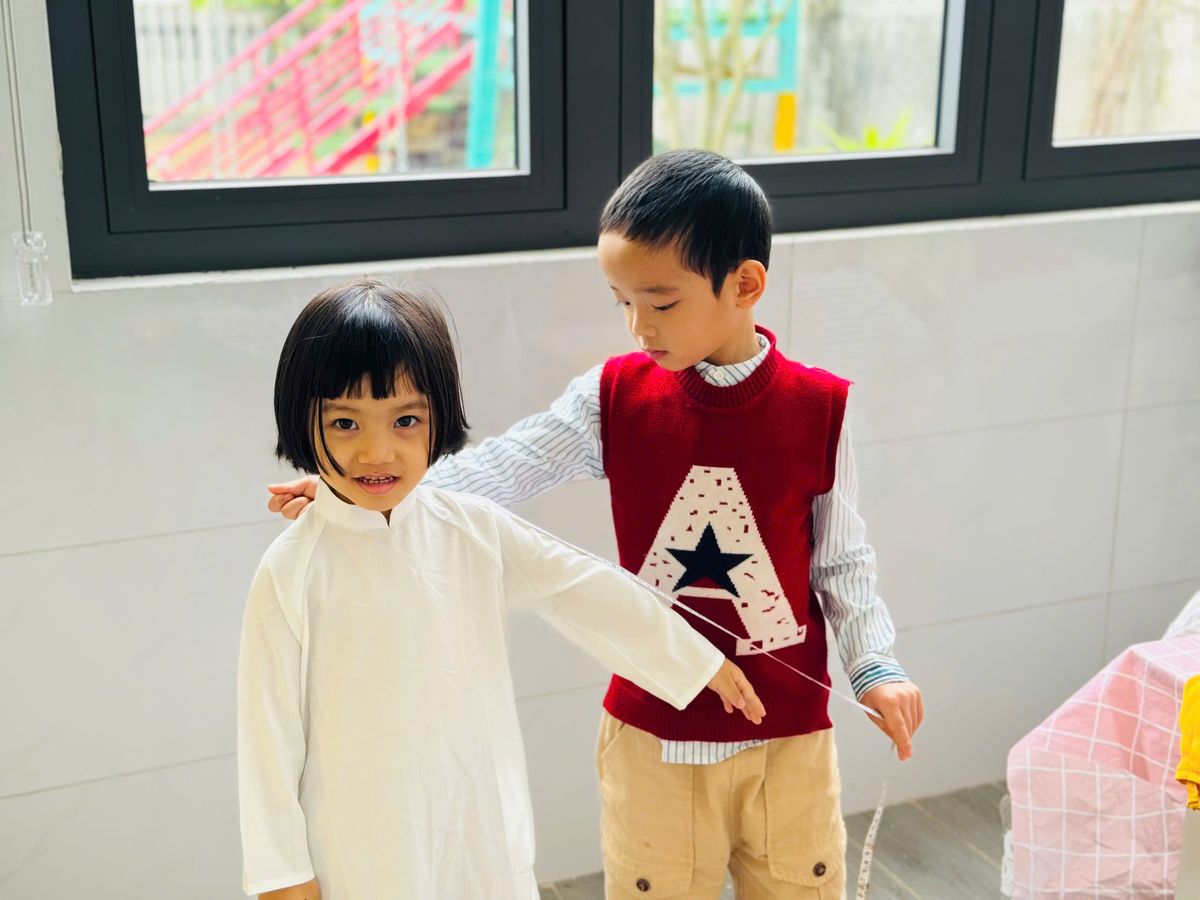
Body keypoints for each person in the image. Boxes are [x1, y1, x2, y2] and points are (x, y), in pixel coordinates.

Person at [267, 151, 924, 899]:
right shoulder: (613, 397)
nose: (639, 326)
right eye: (623, 303)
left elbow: (841, 560)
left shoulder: (818, 409)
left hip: (789, 736)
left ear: (745, 284)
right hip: (652, 734)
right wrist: (360, 491)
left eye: (661, 302)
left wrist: (875, 666)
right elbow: (508, 467)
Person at [239, 279, 765, 900]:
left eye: (405, 420)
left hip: (475, 824)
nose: (377, 451)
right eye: (345, 423)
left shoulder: (470, 529)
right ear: (304, 422)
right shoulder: (294, 569)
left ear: (438, 418)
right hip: (358, 848)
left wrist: (694, 658)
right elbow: (267, 734)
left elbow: (580, 585)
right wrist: (283, 874)